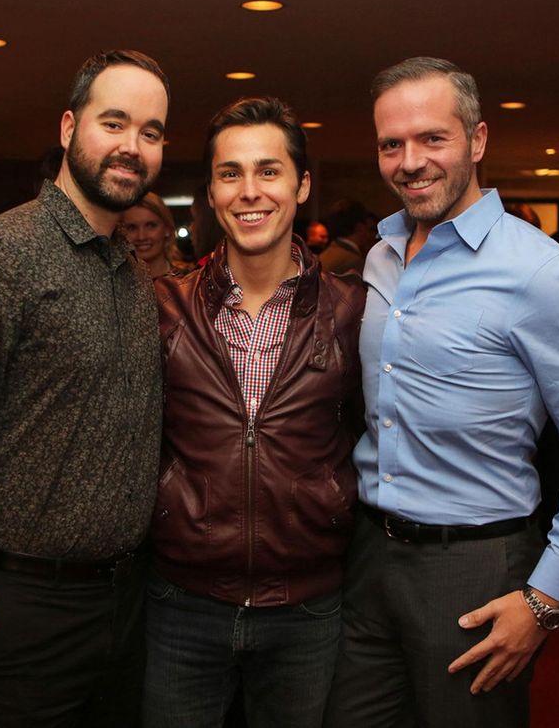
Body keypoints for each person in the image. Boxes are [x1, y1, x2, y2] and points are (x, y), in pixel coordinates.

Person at [324, 57, 559, 728]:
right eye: (391, 144)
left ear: (478, 139)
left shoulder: (539, 273)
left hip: (473, 564)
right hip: (369, 554)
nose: (410, 162)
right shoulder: (377, 259)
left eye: (432, 138)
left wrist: (547, 597)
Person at [0, 49, 169, 727]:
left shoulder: (131, 273)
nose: (132, 147)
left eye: (151, 131)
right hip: (22, 611)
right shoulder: (5, 257)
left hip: (122, 606)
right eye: (114, 123)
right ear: (68, 127)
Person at [143, 96, 365, 728]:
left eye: (269, 171)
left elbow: (373, 433)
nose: (250, 191)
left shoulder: (352, 311)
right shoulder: (163, 306)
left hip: (309, 604)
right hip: (183, 600)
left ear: (302, 186)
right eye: (230, 173)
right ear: (211, 193)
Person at [121, 192, 189, 277]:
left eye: (151, 226)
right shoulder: (113, 284)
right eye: (132, 228)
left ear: (167, 229)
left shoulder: (191, 281)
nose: (141, 237)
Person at [319, 200, 376, 274]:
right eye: (370, 229)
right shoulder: (354, 262)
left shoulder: (323, 255)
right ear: (360, 227)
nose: (372, 235)